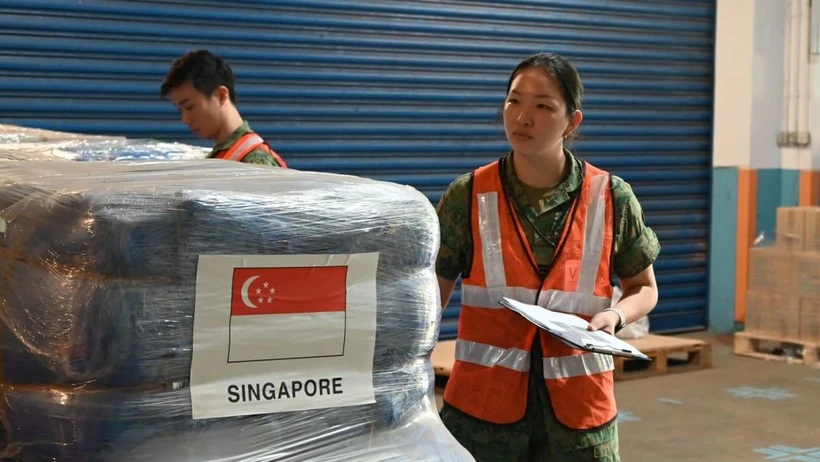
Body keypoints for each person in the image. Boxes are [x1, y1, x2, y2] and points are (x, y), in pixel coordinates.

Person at [435, 53, 660, 461]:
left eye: (542, 106)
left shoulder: (611, 197)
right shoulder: (468, 195)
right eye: (514, 101)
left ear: (572, 121)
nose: (523, 118)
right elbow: (432, 293)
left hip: (578, 420)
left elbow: (643, 289)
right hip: (481, 416)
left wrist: (615, 317)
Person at [160, 50, 287, 167]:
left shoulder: (256, 162)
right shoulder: (223, 156)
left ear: (221, 95)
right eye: (180, 110)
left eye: (189, 107)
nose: (185, 119)